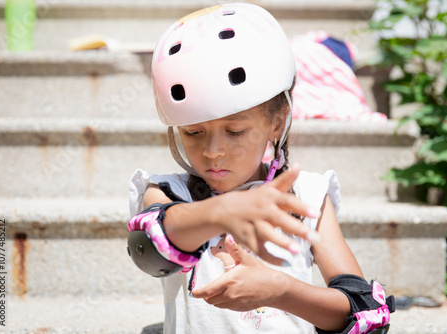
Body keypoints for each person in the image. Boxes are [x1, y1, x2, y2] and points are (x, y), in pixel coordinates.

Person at [126, 3, 394, 334]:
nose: (213, 151)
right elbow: (150, 243)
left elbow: (365, 314)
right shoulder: (169, 192)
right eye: (193, 133)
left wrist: (281, 291)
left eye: (235, 131)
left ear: (277, 124)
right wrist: (222, 210)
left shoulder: (306, 196)